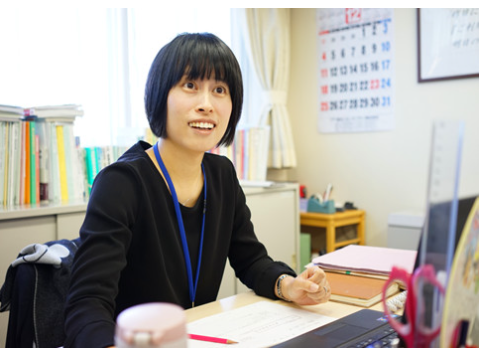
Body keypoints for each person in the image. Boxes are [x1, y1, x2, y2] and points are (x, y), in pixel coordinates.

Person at [64, 32, 331, 348]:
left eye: (219, 89)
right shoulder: (121, 183)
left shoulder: (222, 175)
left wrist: (287, 284)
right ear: (160, 95)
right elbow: (88, 302)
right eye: (190, 86)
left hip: (198, 338)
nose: (207, 105)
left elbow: (251, 259)